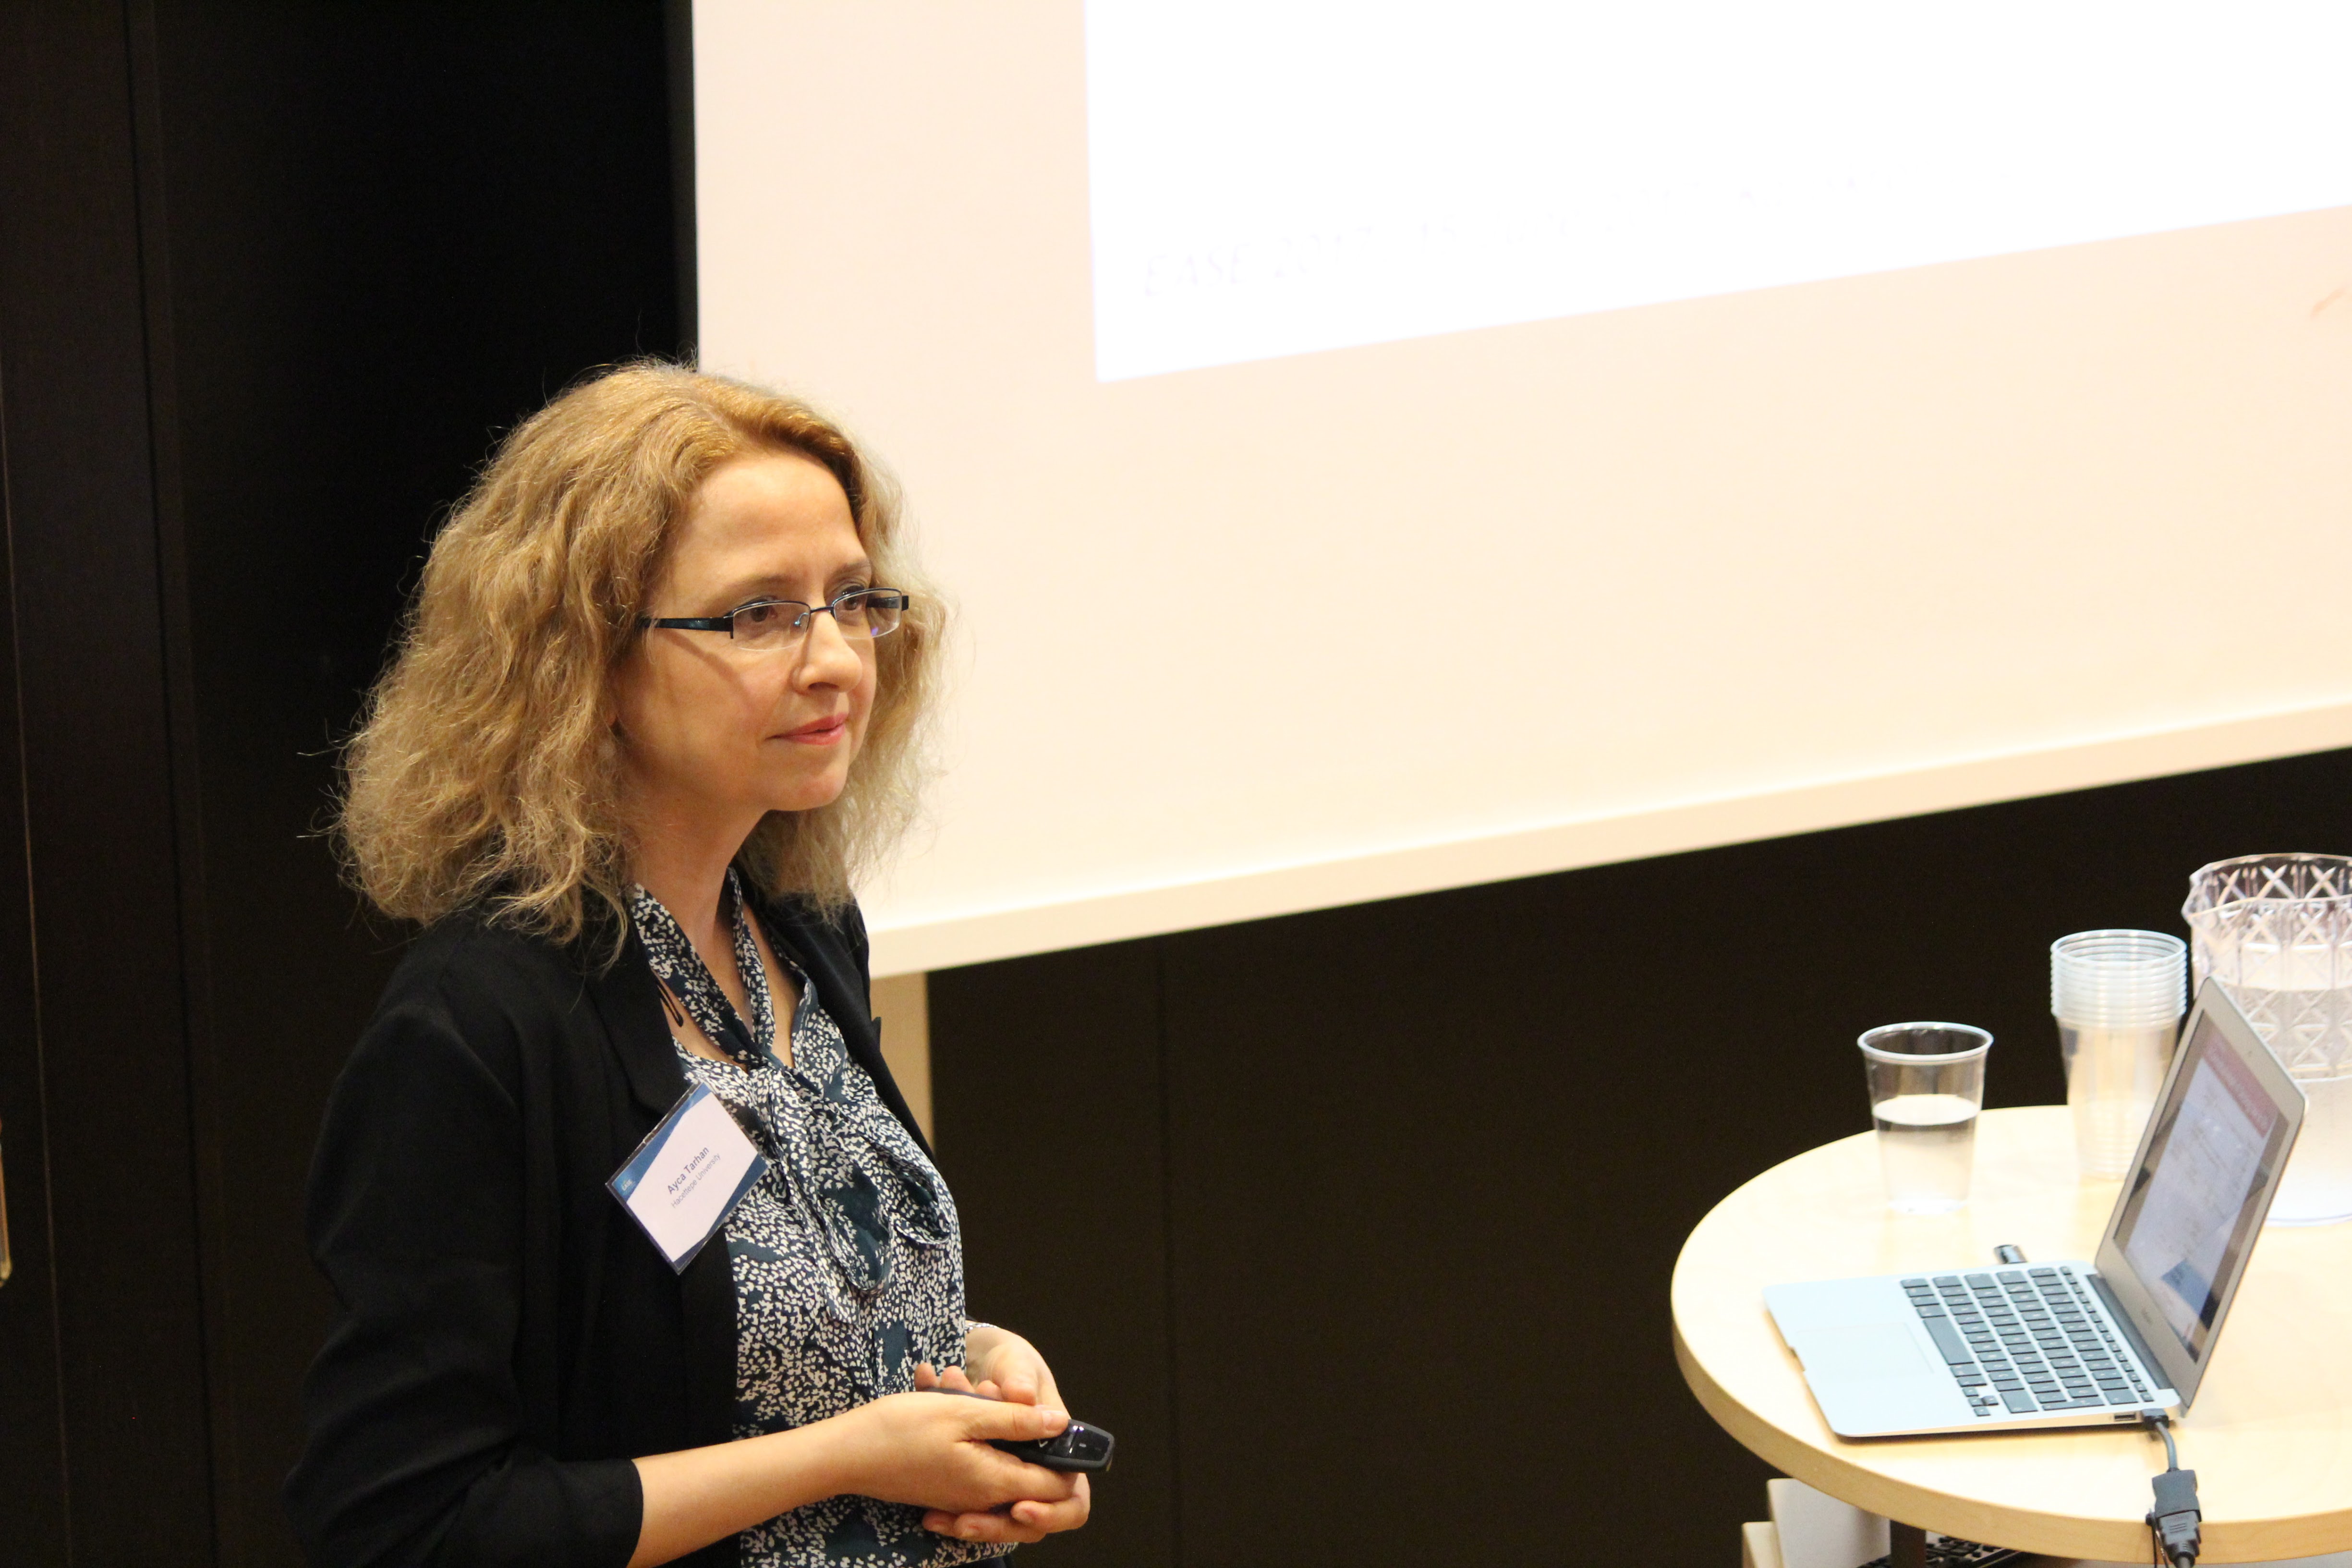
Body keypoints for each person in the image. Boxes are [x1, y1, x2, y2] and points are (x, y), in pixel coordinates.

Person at [286, 363, 1090, 1568]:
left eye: (851, 598)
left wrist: (976, 1365)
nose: (836, 659)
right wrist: (848, 1455)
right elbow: (404, 1525)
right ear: (586, 663)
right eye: (758, 614)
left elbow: (740, 1333)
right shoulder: (473, 1028)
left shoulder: (803, 927)